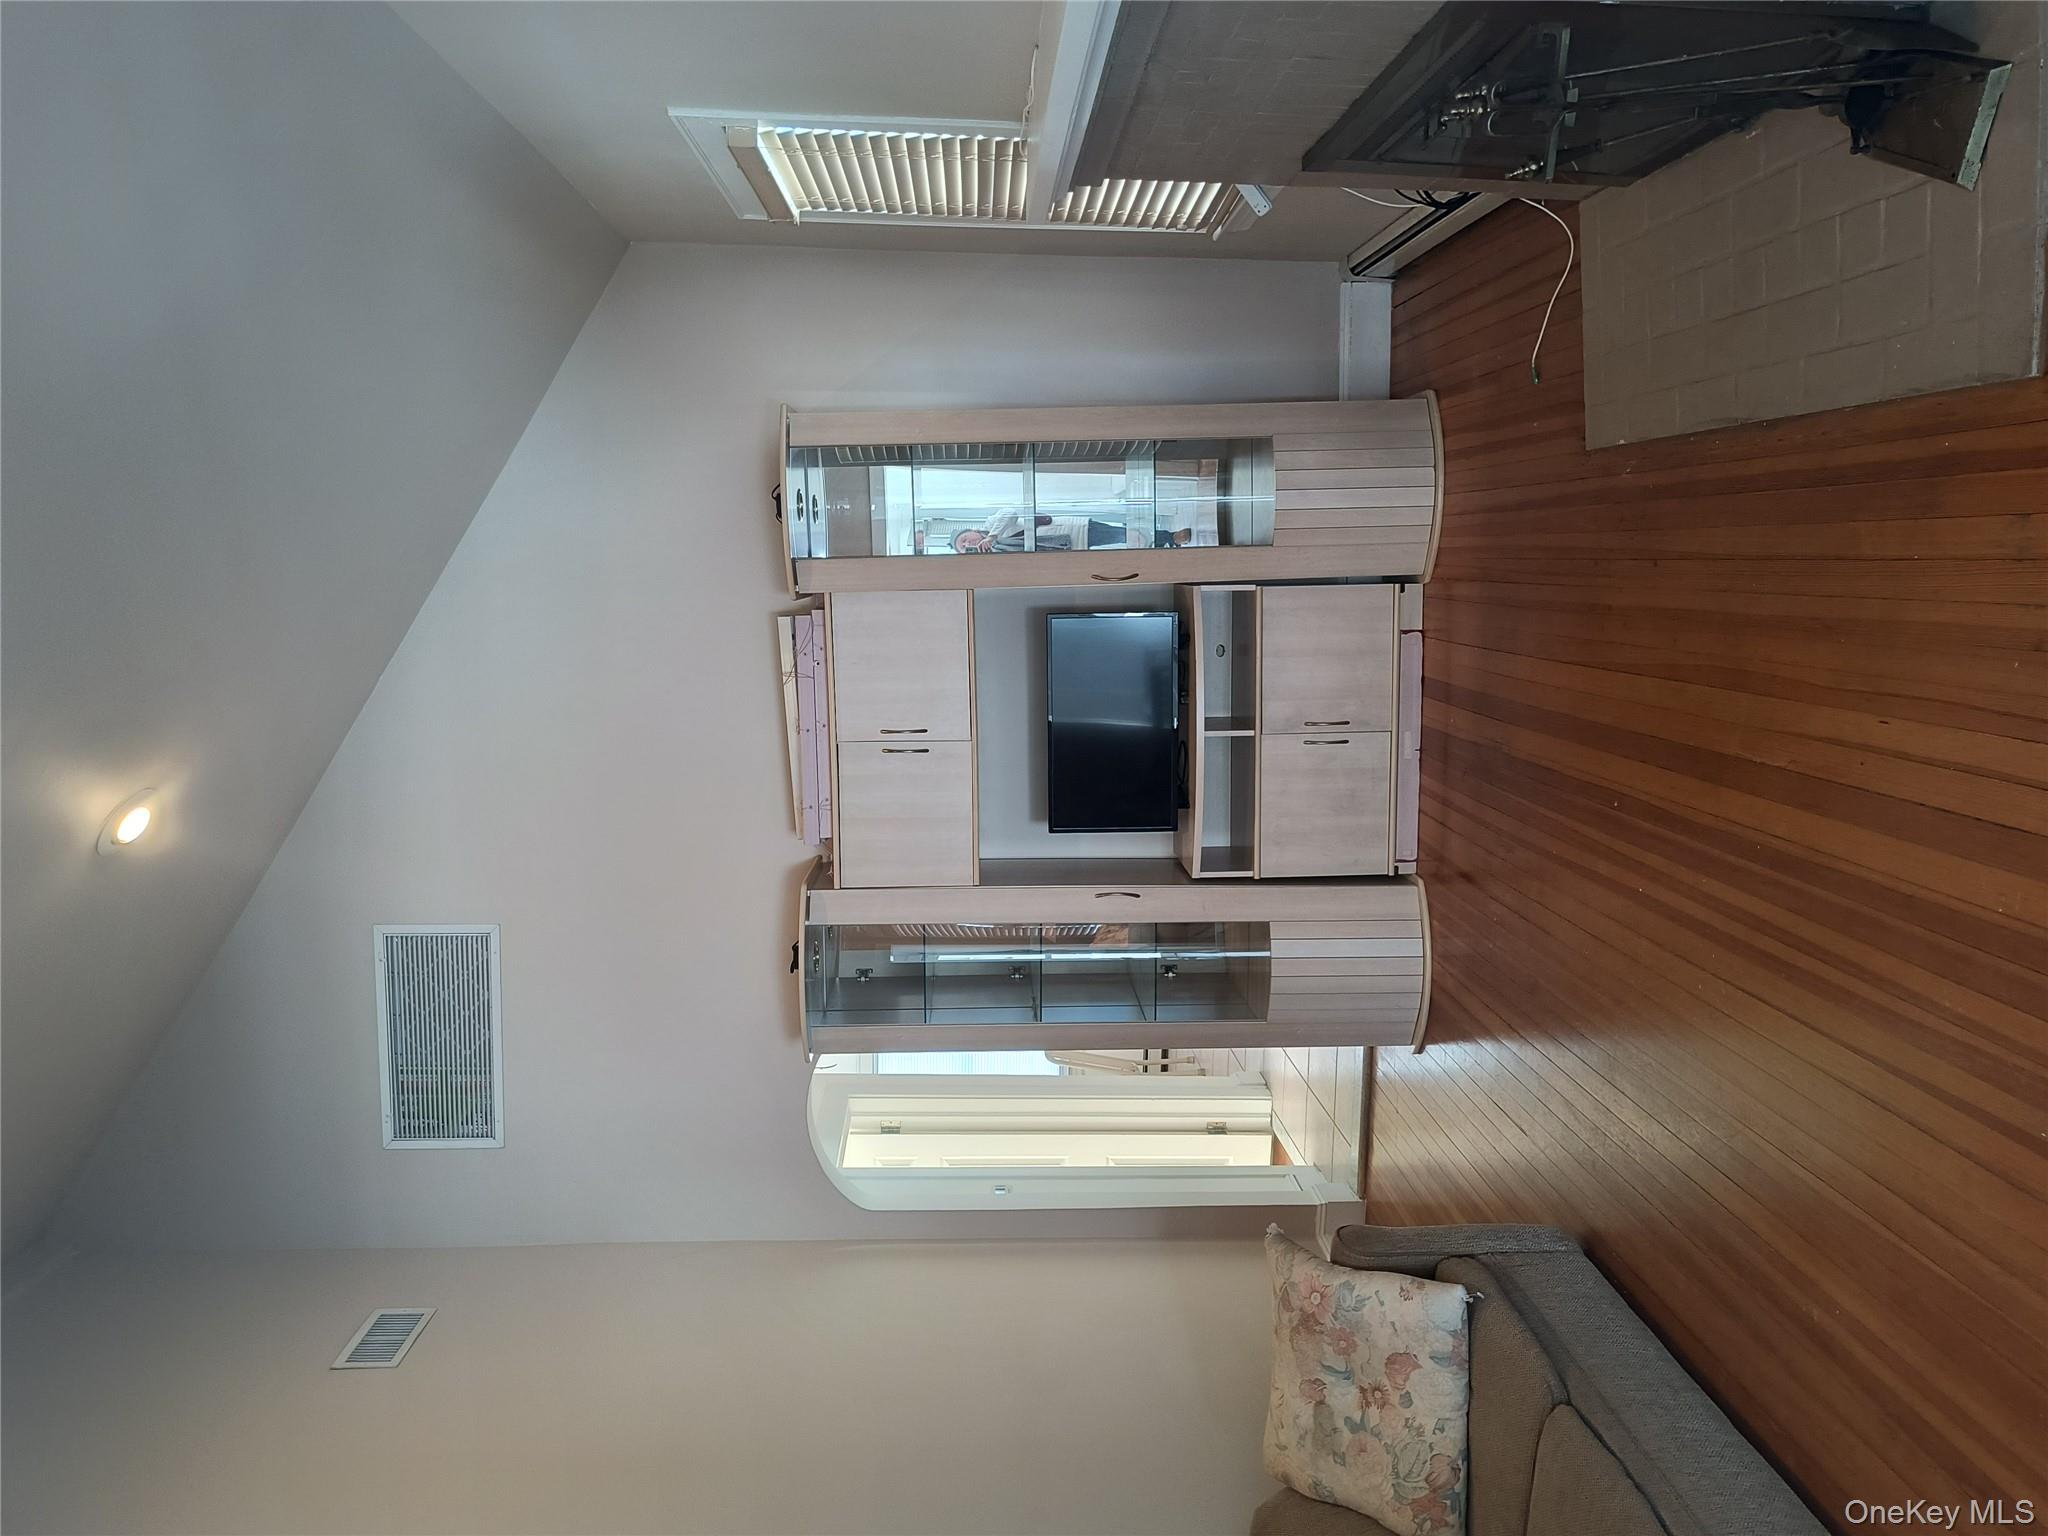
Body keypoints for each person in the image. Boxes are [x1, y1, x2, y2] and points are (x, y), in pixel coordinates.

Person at [950, 513, 1192, 553]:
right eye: (964, 547)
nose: (969, 543)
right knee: (1125, 551)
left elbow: (1010, 513)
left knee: (1125, 535)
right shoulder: (994, 559)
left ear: (971, 530)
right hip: (1069, 555)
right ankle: (1167, 544)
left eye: (965, 539)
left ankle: (1170, 538)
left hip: (1072, 531)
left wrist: (992, 536)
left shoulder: (993, 524)